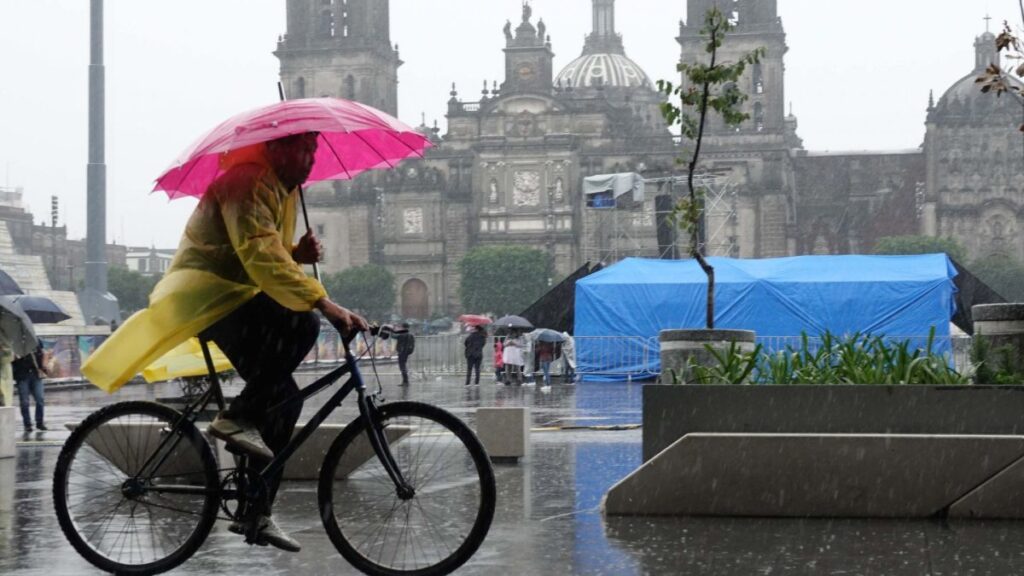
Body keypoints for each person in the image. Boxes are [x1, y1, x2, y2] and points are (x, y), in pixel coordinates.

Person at [82, 132, 368, 553]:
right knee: (303, 325)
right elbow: (258, 256)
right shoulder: (247, 182)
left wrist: (296, 254)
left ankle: (257, 509)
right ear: (275, 149)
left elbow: (264, 250)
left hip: (234, 294)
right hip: (206, 295)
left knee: (283, 399)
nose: (310, 159)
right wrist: (325, 304)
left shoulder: (282, 191)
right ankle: (235, 419)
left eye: (314, 150)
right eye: (301, 149)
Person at [13, 343, 47, 432]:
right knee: (24, 402)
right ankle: (27, 424)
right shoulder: (16, 342)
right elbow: (11, 358)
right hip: (22, 375)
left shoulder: (35, 340)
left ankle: (40, 423)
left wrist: (43, 365)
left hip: (36, 374)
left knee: (40, 399)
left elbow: (43, 353)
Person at [394, 322, 415, 386]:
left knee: (402, 367)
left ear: (403, 327)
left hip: (402, 352)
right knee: (403, 366)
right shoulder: (411, 335)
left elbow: (393, 336)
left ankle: (405, 381)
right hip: (407, 352)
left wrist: (392, 329)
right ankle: (405, 381)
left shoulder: (402, 334)